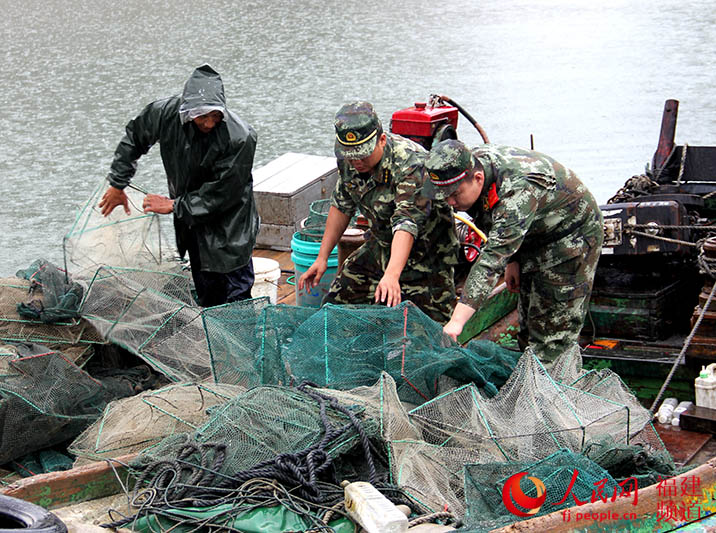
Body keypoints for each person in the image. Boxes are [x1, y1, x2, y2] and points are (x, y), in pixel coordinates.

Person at [423, 140, 603, 361]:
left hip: (570, 239)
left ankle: (553, 385)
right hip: (531, 235)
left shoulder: (517, 191)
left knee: (553, 336)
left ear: (477, 179)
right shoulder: (468, 166)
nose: (450, 202)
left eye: (455, 194)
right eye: (444, 195)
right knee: (528, 323)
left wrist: (457, 322)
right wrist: (513, 261)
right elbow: (496, 223)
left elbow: (490, 262)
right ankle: (531, 372)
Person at [98, 64, 259, 308]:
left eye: (214, 116)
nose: (208, 123)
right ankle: (213, 340)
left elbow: (223, 194)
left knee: (236, 296)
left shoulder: (240, 137)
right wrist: (118, 184)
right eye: (201, 116)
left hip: (231, 226)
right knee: (207, 294)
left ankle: (242, 342)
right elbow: (134, 139)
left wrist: (173, 205)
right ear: (187, 111)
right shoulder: (164, 114)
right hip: (192, 223)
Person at [298, 101, 459, 323]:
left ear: (381, 140)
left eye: (363, 154)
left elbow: (406, 222)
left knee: (428, 329)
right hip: (382, 244)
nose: (356, 162)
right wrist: (322, 257)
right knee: (336, 306)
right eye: (350, 155)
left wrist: (392, 276)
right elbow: (342, 204)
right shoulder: (350, 160)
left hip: (427, 255)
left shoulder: (411, 164)